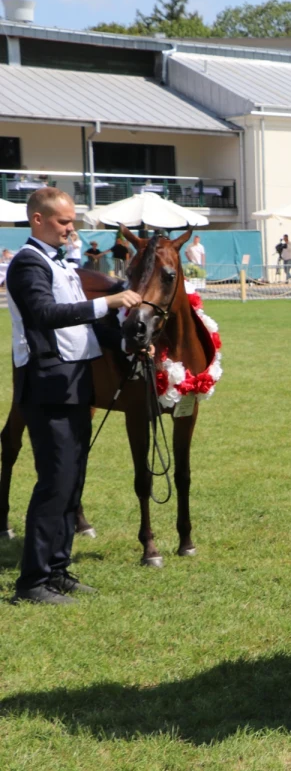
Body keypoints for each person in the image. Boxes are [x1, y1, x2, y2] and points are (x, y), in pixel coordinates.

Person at [6, 188, 142, 605]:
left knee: (72, 482)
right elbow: (46, 315)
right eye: (64, 221)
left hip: (74, 382)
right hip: (47, 384)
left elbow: (80, 327)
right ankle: (32, 582)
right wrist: (108, 304)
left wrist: (128, 341)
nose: (71, 228)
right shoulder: (28, 264)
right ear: (38, 221)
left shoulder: (62, 263)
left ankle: (58, 569)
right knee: (55, 482)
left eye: (71, 221)